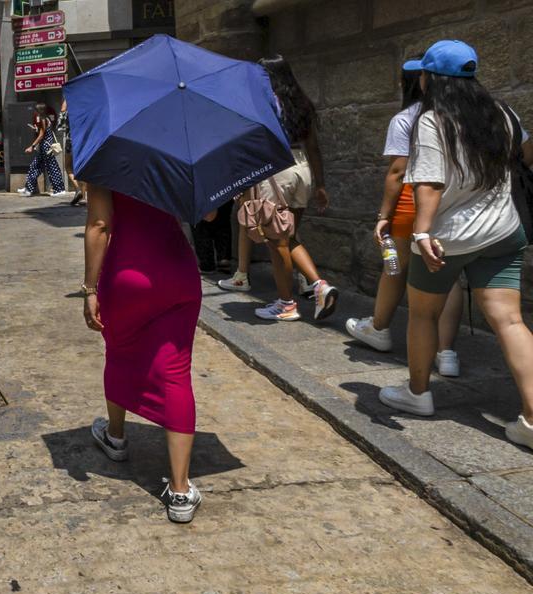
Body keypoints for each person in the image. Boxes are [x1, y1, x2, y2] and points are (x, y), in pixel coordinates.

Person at [377, 40, 533, 453]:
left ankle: (418, 393)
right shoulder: (502, 113)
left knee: (423, 316)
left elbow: (428, 182)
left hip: (448, 238)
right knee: (511, 322)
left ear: (430, 77)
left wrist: (423, 233)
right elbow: (527, 154)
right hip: (503, 231)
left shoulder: (433, 120)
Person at [83, 186, 209, 523]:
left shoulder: (105, 156)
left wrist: (90, 289)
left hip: (127, 275)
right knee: (176, 373)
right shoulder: (176, 154)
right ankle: (180, 490)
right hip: (177, 272)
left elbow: (99, 225)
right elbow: (208, 214)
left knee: (119, 353)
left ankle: (116, 436)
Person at [345, 63, 465, 376]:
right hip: (451, 200)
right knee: (447, 275)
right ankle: (446, 352)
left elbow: (398, 171)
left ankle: (379, 327)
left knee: (394, 266)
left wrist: (383, 215)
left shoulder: (407, 118)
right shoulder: (460, 114)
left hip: (414, 200)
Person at [218, 55, 340, 323]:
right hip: (302, 168)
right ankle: (319, 286)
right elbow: (314, 148)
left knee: (277, 241)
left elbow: (254, 146)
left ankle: (287, 303)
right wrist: (320, 184)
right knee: (289, 236)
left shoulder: (264, 103)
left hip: (276, 171)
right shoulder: (301, 103)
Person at [17, 102, 69, 198]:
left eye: (36, 110)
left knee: (52, 168)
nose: (34, 112)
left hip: (46, 147)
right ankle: (28, 188)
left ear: (39, 111)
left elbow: (41, 135)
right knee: (35, 166)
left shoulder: (43, 120)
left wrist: (32, 146)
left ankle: (59, 189)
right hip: (44, 147)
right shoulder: (46, 119)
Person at [59, 98, 86, 207]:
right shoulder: (85, 111)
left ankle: (78, 189)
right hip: (84, 141)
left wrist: (67, 99)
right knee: (82, 168)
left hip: (71, 140)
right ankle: (84, 197)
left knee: (68, 166)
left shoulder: (70, 113)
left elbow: (62, 116)